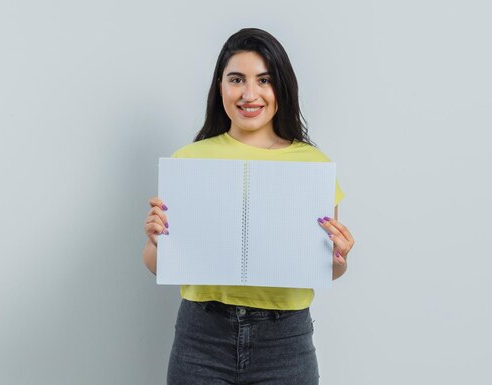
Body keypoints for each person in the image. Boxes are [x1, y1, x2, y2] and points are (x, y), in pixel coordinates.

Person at [142, 28, 355, 385]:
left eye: (264, 80)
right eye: (237, 79)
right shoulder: (189, 160)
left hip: (285, 341)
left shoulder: (314, 165)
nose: (249, 94)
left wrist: (340, 258)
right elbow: (156, 264)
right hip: (202, 337)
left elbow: (327, 268)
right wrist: (154, 241)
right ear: (220, 87)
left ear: (281, 88)